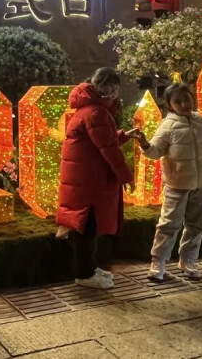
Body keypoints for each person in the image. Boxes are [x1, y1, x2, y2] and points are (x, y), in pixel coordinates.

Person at [56, 67, 138, 289]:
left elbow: (101, 140)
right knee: (87, 227)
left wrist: (123, 135)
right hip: (90, 181)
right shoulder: (96, 112)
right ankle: (84, 275)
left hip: (83, 179)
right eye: (113, 87)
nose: (114, 92)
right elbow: (108, 148)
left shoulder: (87, 109)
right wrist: (127, 177)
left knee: (85, 226)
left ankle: (89, 271)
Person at [136, 83, 202, 282]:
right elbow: (155, 152)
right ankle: (158, 261)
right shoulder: (167, 126)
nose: (184, 104)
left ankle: (188, 260)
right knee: (168, 224)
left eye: (187, 99)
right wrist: (144, 143)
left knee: (198, 224)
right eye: (177, 101)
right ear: (169, 105)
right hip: (177, 183)